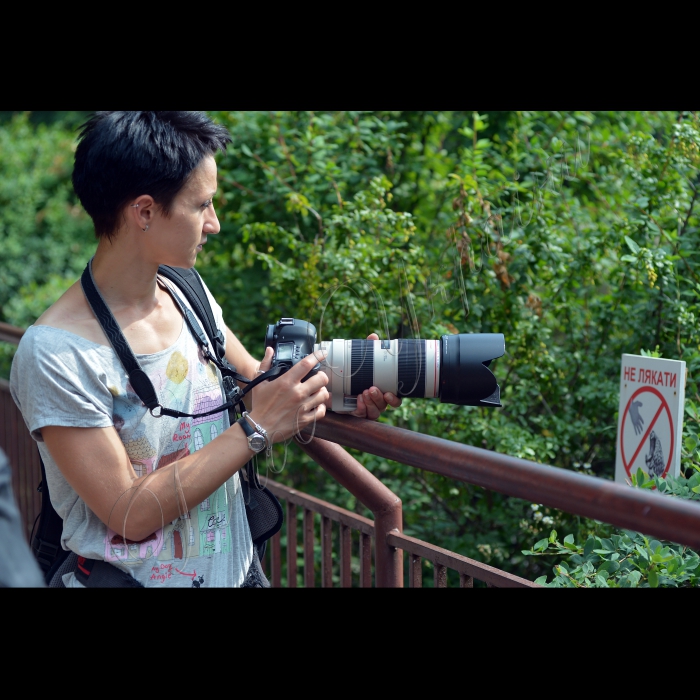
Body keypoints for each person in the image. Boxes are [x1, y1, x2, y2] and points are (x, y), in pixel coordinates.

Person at [10, 111, 401, 588]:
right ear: (146, 212)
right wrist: (256, 431)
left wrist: (346, 384)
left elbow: (259, 384)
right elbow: (128, 513)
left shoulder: (186, 292)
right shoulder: (56, 353)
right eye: (202, 206)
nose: (214, 224)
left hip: (239, 574)